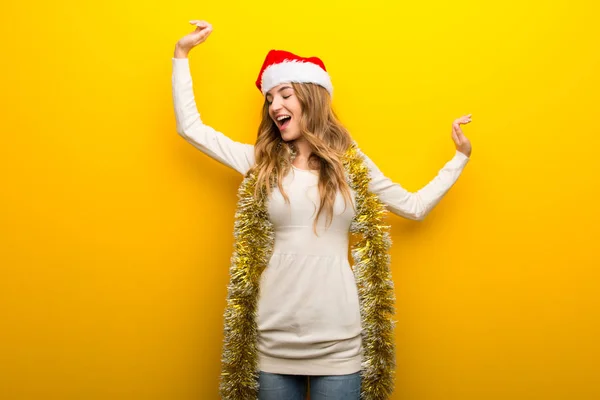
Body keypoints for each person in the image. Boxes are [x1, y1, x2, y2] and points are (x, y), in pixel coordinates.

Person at [172, 20, 473, 400]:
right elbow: (191, 128)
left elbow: (414, 207)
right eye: (269, 99)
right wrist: (181, 55)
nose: (273, 106)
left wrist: (459, 159)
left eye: (283, 95)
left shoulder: (353, 166)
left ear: (310, 97)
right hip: (273, 339)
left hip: (340, 342)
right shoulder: (260, 163)